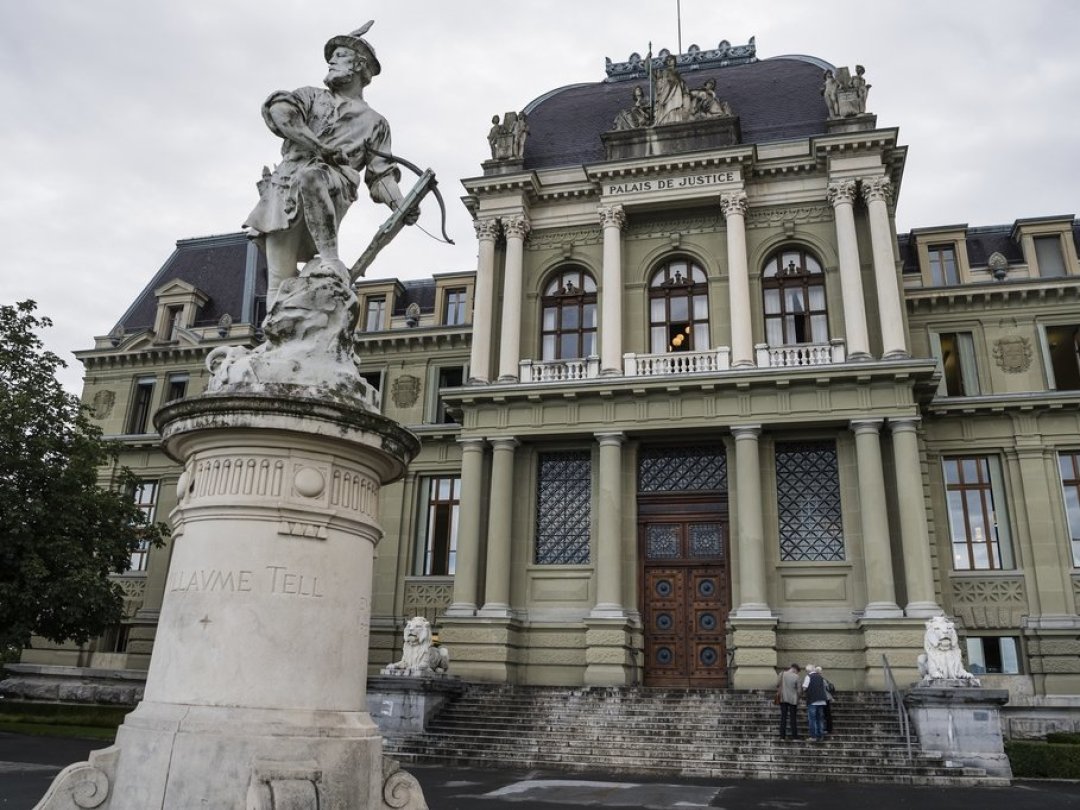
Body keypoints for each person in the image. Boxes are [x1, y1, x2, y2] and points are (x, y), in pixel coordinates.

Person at [243, 21, 418, 306]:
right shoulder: (311, 96)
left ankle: (328, 259)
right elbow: (279, 111)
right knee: (279, 282)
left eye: (340, 56)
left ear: (360, 66)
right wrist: (320, 147)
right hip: (283, 188)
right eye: (330, 57)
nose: (331, 61)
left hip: (332, 183)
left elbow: (381, 176)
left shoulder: (375, 123)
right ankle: (276, 343)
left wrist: (400, 203)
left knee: (312, 176)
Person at [653, 54, 690, 126]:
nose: (669, 62)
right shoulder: (663, 73)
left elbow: (685, 92)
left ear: (674, 62)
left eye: (671, 60)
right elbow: (650, 72)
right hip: (666, 101)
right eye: (668, 60)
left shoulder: (679, 78)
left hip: (676, 101)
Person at [802, 663, 829, 742]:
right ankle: (820, 736)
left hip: (813, 701)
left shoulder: (808, 676)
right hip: (822, 700)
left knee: (812, 719)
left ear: (807, 671)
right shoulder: (820, 677)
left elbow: (804, 688)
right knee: (820, 719)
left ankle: (813, 736)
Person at [776, 663, 801, 740]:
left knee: (783, 717)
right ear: (795, 669)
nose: (796, 673)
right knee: (793, 718)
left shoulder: (782, 674)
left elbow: (777, 684)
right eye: (797, 671)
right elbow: (799, 690)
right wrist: (798, 698)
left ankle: (782, 736)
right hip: (793, 699)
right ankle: (795, 736)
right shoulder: (797, 677)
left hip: (783, 698)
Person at [816, 665, 836, 734]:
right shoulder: (823, 679)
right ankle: (828, 728)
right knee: (827, 714)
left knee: (825, 714)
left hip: (824, 698)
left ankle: (828, 729)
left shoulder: (820, 679)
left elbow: (825, 690)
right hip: (826, 698)